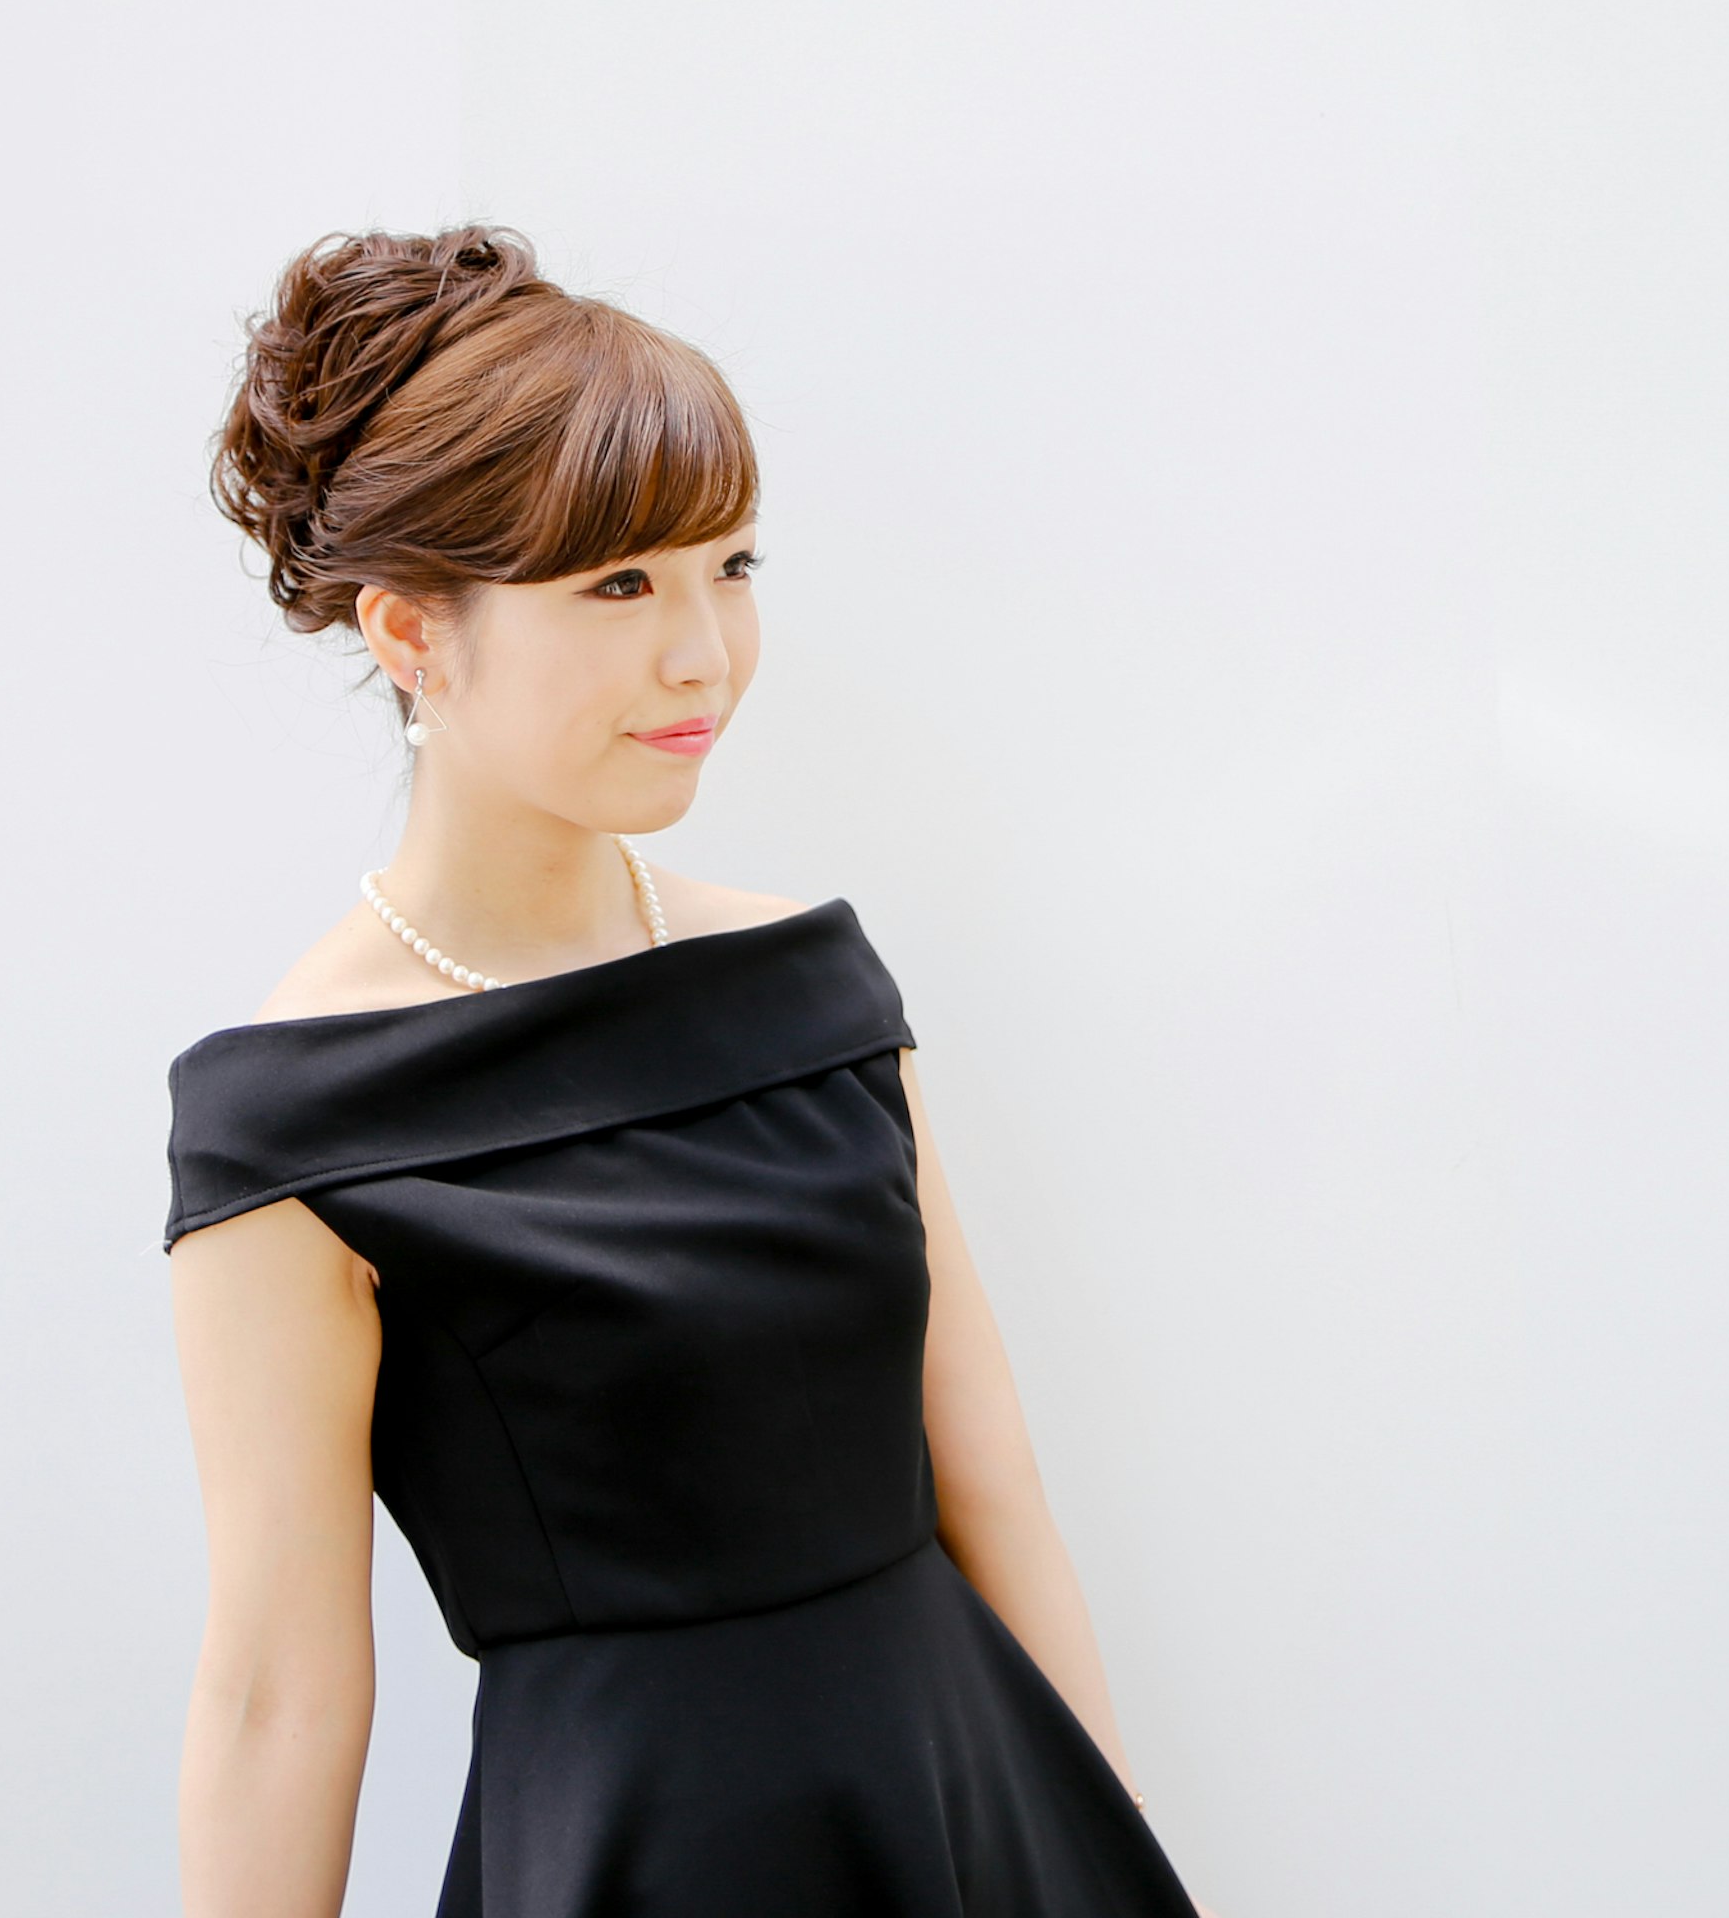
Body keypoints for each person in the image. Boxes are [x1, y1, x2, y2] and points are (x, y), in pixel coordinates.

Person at [164, 225, 1201, 1918]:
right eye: (622, 586)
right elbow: (278, 1697)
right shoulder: (292, 1130)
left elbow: (991, 1479)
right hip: (640, 1864)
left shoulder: (810, 984)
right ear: (414, 635)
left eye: (732, 567)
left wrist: (1133, 1876)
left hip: (974, 1822)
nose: (704, 654)